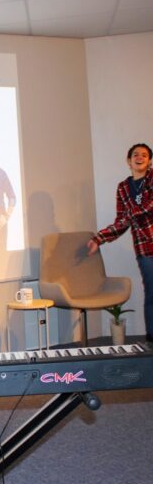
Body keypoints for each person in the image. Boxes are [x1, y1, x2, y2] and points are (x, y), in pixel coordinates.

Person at [87, 143, 153, 341]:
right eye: (135, 154)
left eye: (144, 155)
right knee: (151, 293)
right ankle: (151, 339)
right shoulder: (123, 188)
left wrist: (129, 216)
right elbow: (121, 222)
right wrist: (99, 238)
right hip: (144, 247)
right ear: (128, 161)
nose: (139, 157)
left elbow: (149, 206)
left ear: (150, 161)